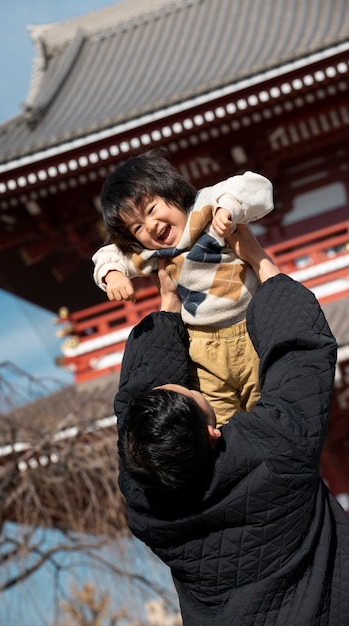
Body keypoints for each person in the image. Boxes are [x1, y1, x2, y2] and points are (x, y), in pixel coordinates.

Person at [115, 225, 349, 625]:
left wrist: (169, 304)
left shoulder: (147, 503)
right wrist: (260, 262)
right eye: (192, 395)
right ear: (213, 430)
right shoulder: (274, 454)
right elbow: (299, 358)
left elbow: (137, 408)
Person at [93, 149, 274, 425]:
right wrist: (113, 274)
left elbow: (255, 187)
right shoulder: (152, 253)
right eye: (138, 228)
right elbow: (109, 254)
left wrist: (230, 208)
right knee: (218, 421)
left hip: (249, 330)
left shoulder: (206, 207)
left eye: (152, 210)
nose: (151, 226)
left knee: (266, 410)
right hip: (202, 347)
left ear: (174, 193)